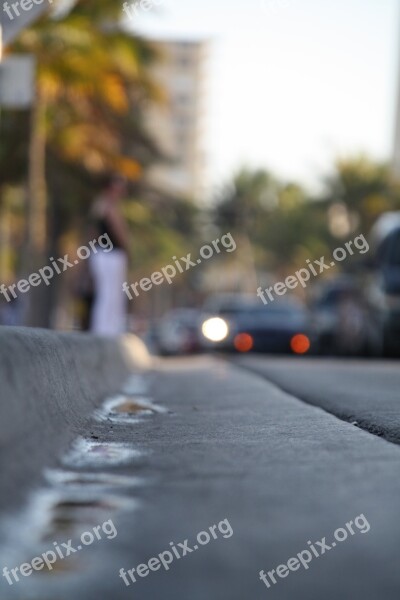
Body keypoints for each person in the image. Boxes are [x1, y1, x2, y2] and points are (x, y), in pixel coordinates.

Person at [89, 175, 130, 335]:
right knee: (110, 294)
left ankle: (106, 329)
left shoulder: (100, 206)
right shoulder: (108, 206)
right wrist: (128, 246)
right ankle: (106, 330)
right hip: (109, 255)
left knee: (109, 293)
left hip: (102, 254)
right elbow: (120, 234)